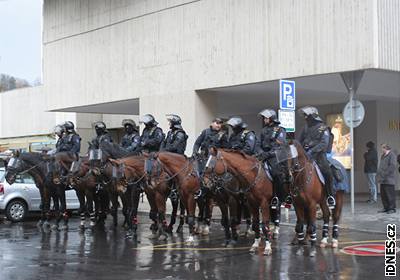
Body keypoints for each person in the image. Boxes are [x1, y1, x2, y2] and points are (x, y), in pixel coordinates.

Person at [298, 106, 336, 209]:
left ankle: (330, 196)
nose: (305, 118)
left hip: (319, 156)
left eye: (307, 115)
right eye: (304, 116)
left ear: (313, 116)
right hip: (306, 156)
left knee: (327, 173)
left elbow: (324, 143)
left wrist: (312, 150)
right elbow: (299, 141)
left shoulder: (323, 128)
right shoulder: (305, 127)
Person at [255, 109, 289, 208]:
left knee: (276, 173)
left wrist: (268, 154)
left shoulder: (280, 130)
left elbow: (279, 146)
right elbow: (257, 144)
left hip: (274, 157)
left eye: (266, 118)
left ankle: (279, 197)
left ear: (271, 119)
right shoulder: (263, 130)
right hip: (262, 156)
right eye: (264, 118)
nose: (264, 120)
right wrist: (261, 152)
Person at [376, 144, 397, 214]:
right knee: (383, 194)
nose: (381, 149)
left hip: (389, 179)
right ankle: (386, 207)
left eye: (382, 148)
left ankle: (392, 208)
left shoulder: (392, 155)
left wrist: (385, 173)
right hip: (382, 179)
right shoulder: (383, 155)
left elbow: (392, 166)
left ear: (386, 148)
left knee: (390, 194)